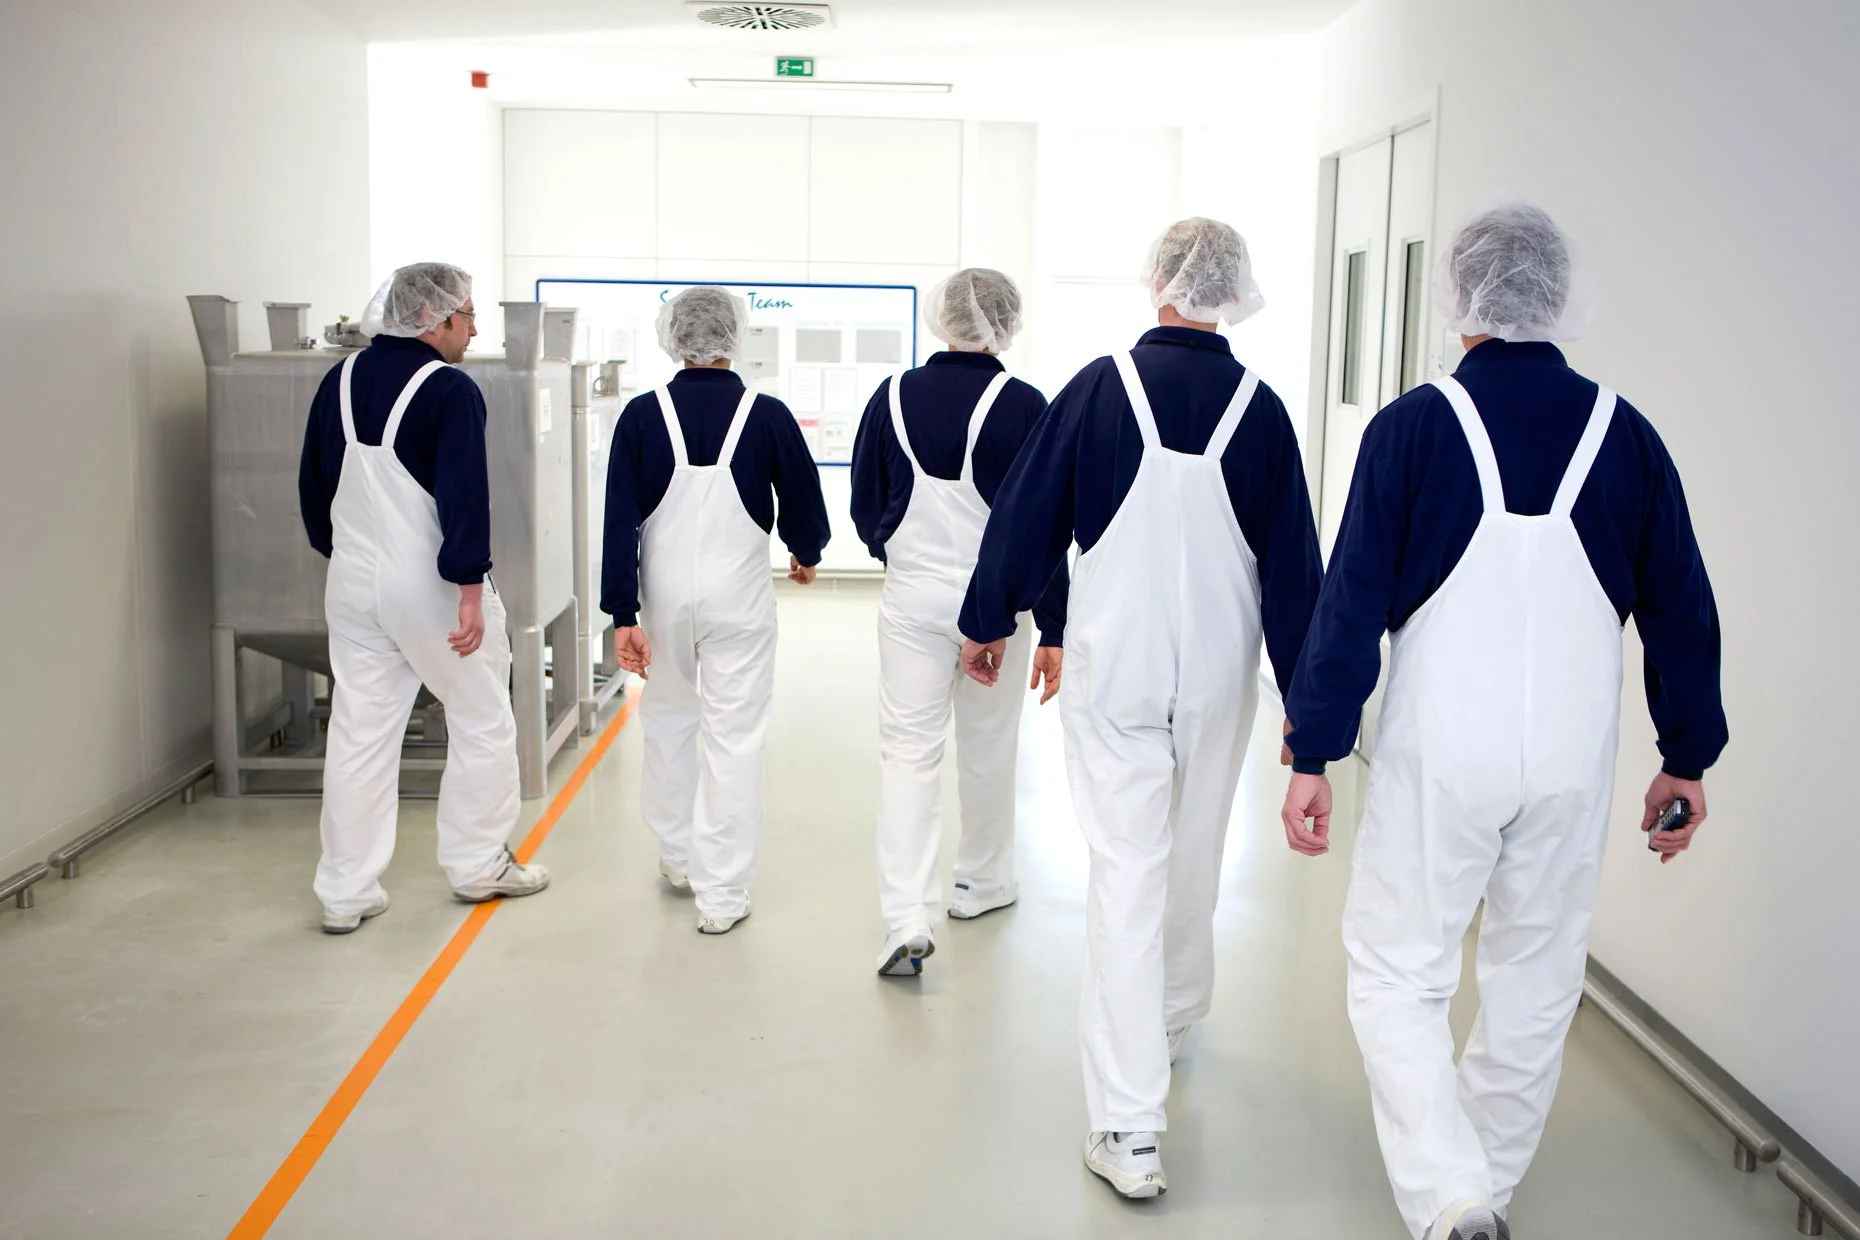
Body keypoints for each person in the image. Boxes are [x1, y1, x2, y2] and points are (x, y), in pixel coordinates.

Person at [1281, 203, 1727, 1240]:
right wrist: (1687, 756)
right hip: (1573, 752)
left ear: (1461, 294)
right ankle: (1486, 1187)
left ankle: (1450, 1198)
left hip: (1443, 748)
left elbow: (1350, 604)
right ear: (1555, 295)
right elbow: (1682, 609)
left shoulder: (1410, 428)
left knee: (1398, 967)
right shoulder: (1629, 435)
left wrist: (1313, 747)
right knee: (1536, 973)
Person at [958, 219, 1324, 1198]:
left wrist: (988, 616)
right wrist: (1309, 707)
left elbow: (1024, 517)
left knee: (1128, 872)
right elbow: (1296, 572)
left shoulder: (1098, 389)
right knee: (1194, 851)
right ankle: (1168, 1012)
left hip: (1114, 675)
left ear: (1158, 281)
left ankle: (1127, 1123)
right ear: (1233, 293)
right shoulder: (1263, 411)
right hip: (1216, 680)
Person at [298, 262, 550, 935]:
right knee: (482, 717)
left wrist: (350, 560)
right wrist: (469, 589)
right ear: (436, 320)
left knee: (359, 732)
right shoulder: (449, 390)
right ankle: (477, 865)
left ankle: (345, 891)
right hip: (433, 587)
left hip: (351, 582)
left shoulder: (340, 380)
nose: (473, 329)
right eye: (468, 316)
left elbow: (314, 488)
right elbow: (466, 495)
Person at [849, 268, 1066, 979]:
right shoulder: (1025, 405)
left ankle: (906, 914)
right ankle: (981, 882)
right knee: (987, 744)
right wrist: (1054, 624)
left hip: (910, 599)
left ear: (941, 319)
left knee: (907, 753)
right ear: (1007, 323)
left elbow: (863, 504)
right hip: (997, 612)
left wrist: (896, 551)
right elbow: (1046, 525)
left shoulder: (891, 397)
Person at [601, 286, 830, 935]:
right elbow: (804, 499)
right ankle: (723, 895)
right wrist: (805, 551)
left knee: (670, 722)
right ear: (735, 337)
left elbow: (619, 521)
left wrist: (623, 613)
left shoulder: (643, 417)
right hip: (741, 601)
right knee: (735, 738)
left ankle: (678, 857)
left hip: (663, 599)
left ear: (673, 338)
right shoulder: (767, 413)